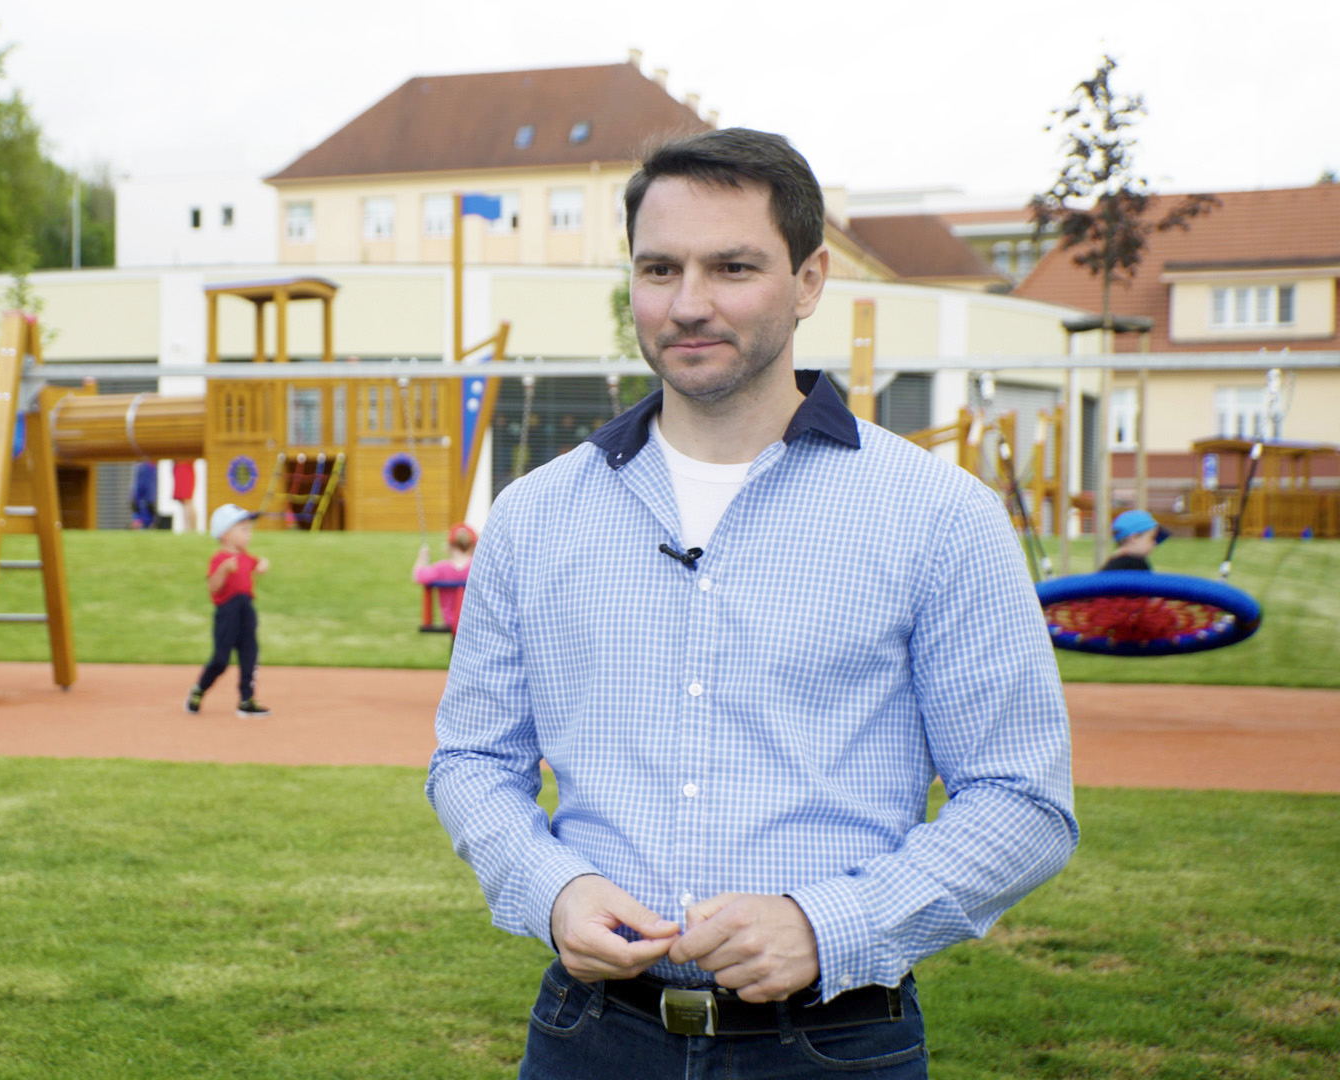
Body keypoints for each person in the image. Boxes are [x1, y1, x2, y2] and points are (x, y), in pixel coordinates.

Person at [426, 128, 1077, 1079]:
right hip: (587, 1037)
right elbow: (473, 759)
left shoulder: (940, 516)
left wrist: (831, 924)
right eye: (659, 269)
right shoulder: (533, 516)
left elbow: (1022, 801)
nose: (689, 304)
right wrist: (550, 889)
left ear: (809, 281)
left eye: (732, 267)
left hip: (833, 1043)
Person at [184, 503, 272, 718]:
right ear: (225, 534)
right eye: (243, 529)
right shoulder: (220, 559)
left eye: (249, 529)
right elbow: (213, 587)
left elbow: (257, 564)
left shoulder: (246, 557)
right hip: (228, 612)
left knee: (249, 655)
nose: (248, 534)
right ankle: (199, 690)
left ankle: (246, 700)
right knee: (220, 660)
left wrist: (262, 564)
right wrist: (223, 570)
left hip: (246, 609)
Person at [412, 523, 476, 631]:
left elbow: (418, 576)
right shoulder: (477, 568)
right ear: (475, 546)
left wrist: (422, 557)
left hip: (449, 621)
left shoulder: (441, 568)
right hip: (474, 620)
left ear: (449, 547)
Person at [1101, 509, 1168, 571]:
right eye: (1152, 538)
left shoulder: (1111, 564)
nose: (1155, 543)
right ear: (1134, 538)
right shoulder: (1137, 564)